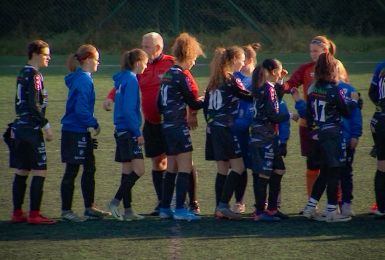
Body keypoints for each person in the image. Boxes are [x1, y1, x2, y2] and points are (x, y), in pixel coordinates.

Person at [103, 32, 201, 215]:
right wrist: (110, 97)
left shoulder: (173, 64)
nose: (143, 49)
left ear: (158, 48)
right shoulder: (141, 66)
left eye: (146, 46)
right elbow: (124, 83)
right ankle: (162, 202)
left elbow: (192, 90)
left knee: (184, 161)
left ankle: (192, 203)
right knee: (158, 162)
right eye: (142, 45)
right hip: (152, 123)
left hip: (173, 122)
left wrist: (193, 114)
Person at [283, 36, 348, 202]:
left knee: (334, 165)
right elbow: (291, 83)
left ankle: (338, 202)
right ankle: (312, 203)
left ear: (325, 51)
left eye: (316, 51)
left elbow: (344, 89)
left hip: (332, 125)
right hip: (309, 123)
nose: (312, 54)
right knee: (312, 165)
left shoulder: (336, 66)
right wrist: (279, 86)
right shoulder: (306, 68)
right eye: (311, 51)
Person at [299, 53, 358, 222]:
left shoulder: (312, 89)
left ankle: (310, 207)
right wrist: (354, 101)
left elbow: (309, 117)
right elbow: (345, 111)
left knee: (324, 172)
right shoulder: (334, 90)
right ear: (333, 69)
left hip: (318, 135)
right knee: (333, 172)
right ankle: (331, 211)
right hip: (332, 135)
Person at [157, 32, 204, 221]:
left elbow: (159, 104)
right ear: (189, 55)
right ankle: (180, 210)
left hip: (167, 126)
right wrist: (206, 99)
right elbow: (193, 103)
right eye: (194, 58)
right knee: (185, 167)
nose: (194, 62)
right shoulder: (182, 76)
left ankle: (164, 208)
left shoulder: (167, 74)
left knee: (172, 168)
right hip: (178, 127)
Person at [60, 44, 110, 222]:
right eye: (97, 59)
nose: (98, 62)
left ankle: (89, 208)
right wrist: (94, 123)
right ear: (88, 60)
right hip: (74, 131)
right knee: (72, 171)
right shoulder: (83, 80)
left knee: (90, 168)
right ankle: (66, 211)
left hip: (80, 131)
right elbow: (81, 110)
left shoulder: (83, 77)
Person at [204, 46, 253, 220]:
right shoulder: (231, 79)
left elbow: (206, 107)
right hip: (225, 129)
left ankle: (219, 208)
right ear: (233, 60)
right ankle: (224, 206)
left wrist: (210, 124)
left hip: (214, 129)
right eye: (242, 59)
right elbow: (247, 96)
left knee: (222, 169)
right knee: (238, 167)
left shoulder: (214, 80)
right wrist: (270, 89)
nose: (244, 62)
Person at [10, 40, 56, 224]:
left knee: (22, 170)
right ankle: (35, 214)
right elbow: (33, 103)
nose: (49, 58)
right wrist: (45, 124)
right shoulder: (35, 75)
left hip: (20, 127)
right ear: (36, 55)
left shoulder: (23, 72)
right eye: (46, 54)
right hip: (31, 128)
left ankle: (17, 212)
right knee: (39, 170)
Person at [106, 49, 148, 221]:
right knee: (139, 170)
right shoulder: (131, 80)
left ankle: (128, 210)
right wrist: (138, 132)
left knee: (127, 170)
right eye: (145, 63)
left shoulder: (123, 78)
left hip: (120, 131)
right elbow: (129, 110)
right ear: (138, 62)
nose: (146, 66)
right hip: (129, 131)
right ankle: (115, 202)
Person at [249, 59, 290, 221]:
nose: (281, 73)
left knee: (278, 169)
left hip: (261, 135)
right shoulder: (267, 88)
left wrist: (280, 81)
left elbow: (273, 102)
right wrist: (289, 115)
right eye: (279, 71)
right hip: (265, 136)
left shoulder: (260, 87)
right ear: (273, 71)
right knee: (264, 174)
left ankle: (271, 208)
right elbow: (273, 114)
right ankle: (260, 212)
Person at [231, 43, 261, 214]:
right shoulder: (234, 77)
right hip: (239, 129)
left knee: (258, 167)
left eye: (241, 60)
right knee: (239, 166)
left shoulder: (259, 78)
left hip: (257, 129)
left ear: (249, 60)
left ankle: (261, 204)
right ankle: (239, 201)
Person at [368, 60, 385, 219]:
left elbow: (372, 93)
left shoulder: (381, 65)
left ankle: (381, 207)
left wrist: (380, 108)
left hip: (379, 120)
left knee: (382, 166)